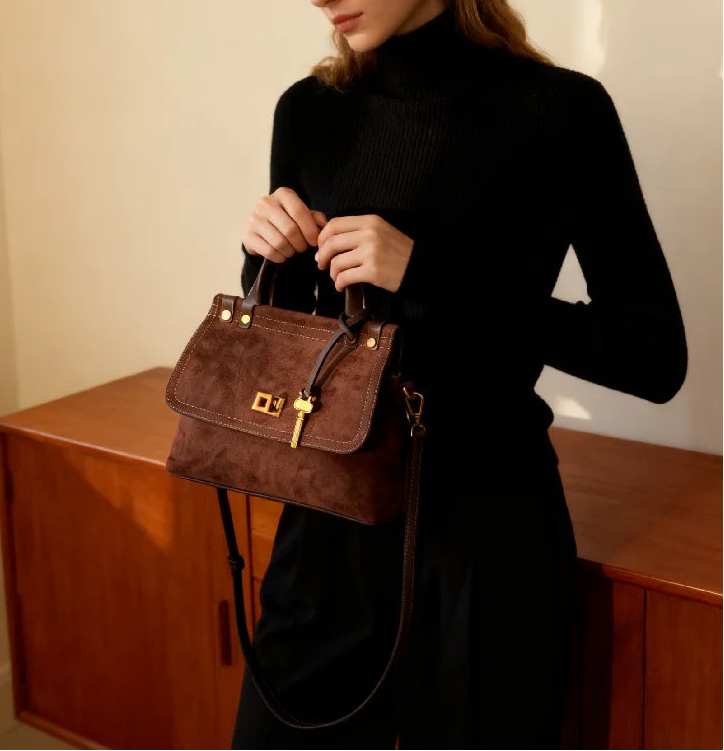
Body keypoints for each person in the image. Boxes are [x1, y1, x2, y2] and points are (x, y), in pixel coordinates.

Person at [233, 1, 688, 748]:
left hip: (490, 537)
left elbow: (649, 355)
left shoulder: (560, 111)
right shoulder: (310, 111)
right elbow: (313, 340)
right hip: (327, 521)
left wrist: (426, 271)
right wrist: (266, 254)